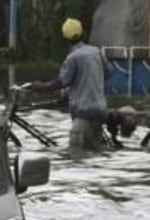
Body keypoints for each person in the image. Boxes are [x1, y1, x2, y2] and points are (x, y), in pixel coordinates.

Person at [28, 17, 109, 152]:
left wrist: (40, 86)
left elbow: (60, 82)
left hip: (83, 116)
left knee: (76, 157)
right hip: (100, 113)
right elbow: (108, 73)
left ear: (65, 40)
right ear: (83, 35)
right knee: (96, 154)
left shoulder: (73, 57)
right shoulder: (96, 52)